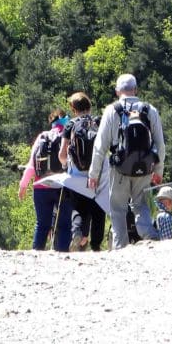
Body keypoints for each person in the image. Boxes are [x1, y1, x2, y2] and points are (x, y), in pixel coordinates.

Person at [88, 73, 165, 249]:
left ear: (117, 91)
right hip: (144, 168)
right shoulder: (149, 110)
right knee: (141, 204)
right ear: (135, 89)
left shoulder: (111, 110)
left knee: (117, 210)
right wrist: (158, 171)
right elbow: (160, 145)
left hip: (119, 168)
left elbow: (100, 146)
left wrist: (94, 174)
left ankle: (120, 247)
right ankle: (150, 238)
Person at [58, 91, 106, 251]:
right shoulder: (98, 121)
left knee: (78, 208)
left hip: (76, 176)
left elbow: (62, 155)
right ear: (89, 106)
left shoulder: (70, 124)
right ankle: (96, 246)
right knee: (98, 209)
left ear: (73, 108)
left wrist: (67, 165)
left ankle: (77, 231)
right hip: (97, 173)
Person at [18, 110, 72, 251]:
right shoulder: (68, 136)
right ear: (66, 121)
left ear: (52, 122)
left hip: (41, 186)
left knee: (42, 225)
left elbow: (31, 165)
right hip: (63, 186)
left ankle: (36, 255)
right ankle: (62, 255)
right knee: (64, 225)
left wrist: (23, 185)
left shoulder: (42, 136)